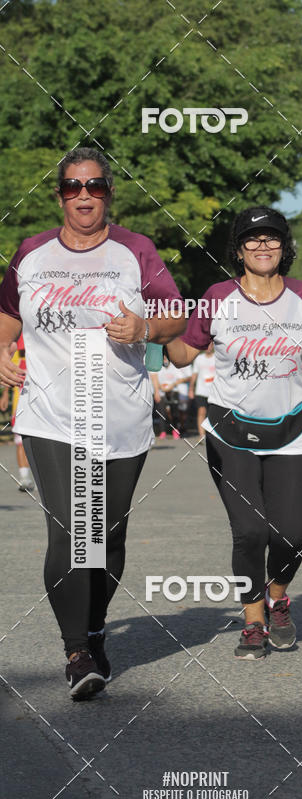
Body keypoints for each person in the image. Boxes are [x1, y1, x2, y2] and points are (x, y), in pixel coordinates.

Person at [0, 147, 185, 699]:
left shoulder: (136, 251)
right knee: (71, 530)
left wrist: (143, 328)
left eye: (96, 186)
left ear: (109, 192)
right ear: (59, 194)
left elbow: (177, 316)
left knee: (107, 535)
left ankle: (97, 626)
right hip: (51, 414)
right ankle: (77, 651)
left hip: (121, 414)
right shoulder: (31, 253)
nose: (84, 195)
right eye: (73, 186)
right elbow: (6, 322)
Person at [167, 206, 302, 659]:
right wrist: (151, 329)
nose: (262, 246)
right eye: (252, 239)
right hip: (230, 432)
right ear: (238, 250)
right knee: (250, 532)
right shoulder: (217, 296)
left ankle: (279, 597)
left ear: (284, 247)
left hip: (293, 432)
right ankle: (253, 621)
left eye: (272, 238)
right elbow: (182, 354)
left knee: (290, 536)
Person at [0, 336, 35, 491]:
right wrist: (6, 394)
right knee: (20, 440)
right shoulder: (18, 340)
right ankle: (25, 479)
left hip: (44, 402)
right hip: (20, 401)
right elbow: (9, 366)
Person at [190, 344, 215, 438]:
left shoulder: (217, 358)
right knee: (201, 411)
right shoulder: (199, 358)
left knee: (212, 414)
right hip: (201, 390)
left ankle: (212, 434)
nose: (208, 348)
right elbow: (194, 375)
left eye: (210, 345)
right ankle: (202, 435)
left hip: (214, 391)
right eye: (207, 346)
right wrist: (191, 389)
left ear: (213, 346)